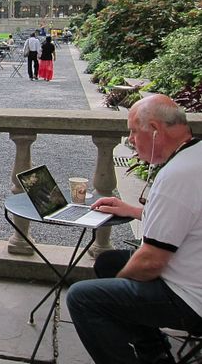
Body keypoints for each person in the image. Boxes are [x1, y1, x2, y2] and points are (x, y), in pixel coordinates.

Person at [66, 94, 202, 364]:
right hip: (191, 272)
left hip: (190, 297)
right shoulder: (194, 156)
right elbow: (189, 218)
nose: (129, 139)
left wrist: (119, 283)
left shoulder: (176, 175)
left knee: (83, 298)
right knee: (107, 261)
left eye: (133, 131)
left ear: (154, 130)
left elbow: (151, 262)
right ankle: (154, 352)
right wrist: (135, 211)